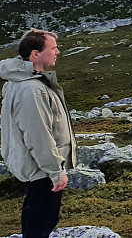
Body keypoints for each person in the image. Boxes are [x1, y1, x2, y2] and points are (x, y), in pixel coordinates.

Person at [1, 29, 77, 238]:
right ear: (35, 54)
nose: (58, 52)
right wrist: (55, 171)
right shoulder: (32, 89)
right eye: (53, 48)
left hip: (36, 167)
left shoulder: (23, 81)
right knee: (41, 222)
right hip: (41, 169)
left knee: (37, 217)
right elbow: (38, 135)